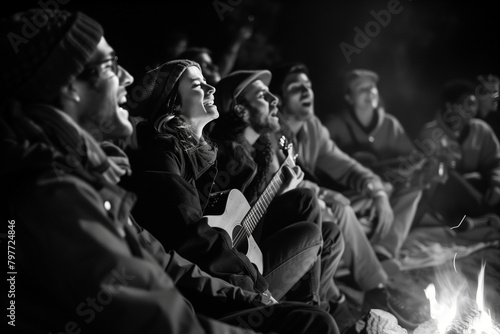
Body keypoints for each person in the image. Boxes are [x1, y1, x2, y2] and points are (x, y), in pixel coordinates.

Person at [0, 9, 338, 334]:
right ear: (70, 84)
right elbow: (160, 304)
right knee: (312, 321)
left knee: (311, 312)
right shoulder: (54, 193)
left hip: (195, 297)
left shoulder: (90, 173)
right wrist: (251, 289)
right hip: (189, 309)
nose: (129, 78)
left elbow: (164, 262)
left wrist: (246, 295)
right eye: (110, 65)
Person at [125, 60, 326, 306]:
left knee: (318, 222)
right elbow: (194, 234)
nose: (211, 89)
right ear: (173, 103)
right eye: (198, 85)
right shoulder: (165, 150)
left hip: (229, 268)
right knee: (312, 229)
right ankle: (304, 310)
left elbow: (229, 223)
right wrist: (256, 285)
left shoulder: (203, 152)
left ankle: (309, 307)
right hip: (214, 282)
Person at [269, 62, 427, 329]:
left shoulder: (313, 128)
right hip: (288, 215)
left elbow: (345, 166)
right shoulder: (272, 131)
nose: (306, 92)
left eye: (308, 86)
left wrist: (376, 189)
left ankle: (379, 258)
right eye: (296, 88)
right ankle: (370, 288)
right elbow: (283, 182)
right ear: (280, 98)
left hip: (331, 201)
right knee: (339, 209)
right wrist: (328, 193)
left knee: (393, 191)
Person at [207, 70, 357, 331]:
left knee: (330, 234)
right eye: (262, 95)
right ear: (241, 110)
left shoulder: (262, 151)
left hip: (253, 246)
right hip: (239, 270)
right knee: (305, 203)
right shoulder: (224, 157)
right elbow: (226, 227)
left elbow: (251, 216)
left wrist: (282, 190)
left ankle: (309, 310)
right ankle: (312, 313)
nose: (274, 99)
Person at [323, 69, 423, 259]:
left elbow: (411, 157)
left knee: (413, 188)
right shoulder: (334, 126)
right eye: (362, 89)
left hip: (384, 188)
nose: (370, 92)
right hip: (351, 193)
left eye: (372, 88)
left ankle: (384, 250)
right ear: (348, 97)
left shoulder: (390, 124)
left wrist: (410, 166)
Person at [416, 79, 500, 228]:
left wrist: (496, 185)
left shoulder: (481, 130)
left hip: (480, 193)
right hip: (446, 195)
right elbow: (426, 174)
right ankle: (480, 219)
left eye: (474, 104)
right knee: (445, 178)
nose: (472, 109)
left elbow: (495, 162)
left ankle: (476, 219)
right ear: (450, 106)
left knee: (478, 179)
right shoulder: (431, 133)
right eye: (467, 104)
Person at [475, 73, 500, 140]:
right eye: (494, 92)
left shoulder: (497, 123)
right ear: (480, 93)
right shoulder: (468, 122)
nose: (497, 98)